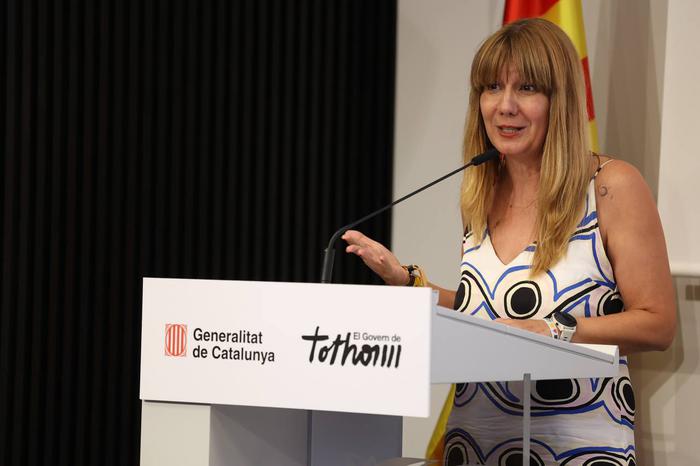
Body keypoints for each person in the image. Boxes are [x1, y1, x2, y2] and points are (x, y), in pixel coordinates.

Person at [342, 18, 676, 466]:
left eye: (527, 89)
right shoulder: (480, 190)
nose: (505, 106)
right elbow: (482, 314)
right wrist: (407, 282)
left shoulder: (609, 185)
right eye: (492, 87)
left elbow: (657, 324)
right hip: (472, 444)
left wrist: (555, 331)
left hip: (575, 450)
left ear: (560, 101)